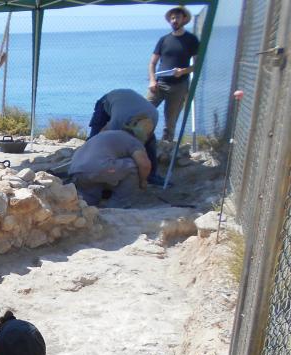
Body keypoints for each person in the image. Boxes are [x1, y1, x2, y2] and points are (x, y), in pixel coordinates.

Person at [147, 6, 200, 142]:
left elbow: (197, 65)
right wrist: (152, 80)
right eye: (172, 18)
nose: (174, 20)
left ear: (184, 19)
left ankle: (166, 149)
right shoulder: (164, 40)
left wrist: (183, 71)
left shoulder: (191, 40)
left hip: (179, 86)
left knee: (170, 122)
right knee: (143, 111)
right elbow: (152, 63)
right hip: (159, 84)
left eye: (177, 17)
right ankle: (143, 140)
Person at [89, 88, 163, 185]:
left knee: (150, 143)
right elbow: (102, 136)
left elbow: (144, 141)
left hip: (127, 102)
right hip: (107, 102)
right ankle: (89, 169)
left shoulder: (154, 116)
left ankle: (151, 175)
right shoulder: (118, 121)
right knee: (94, 140)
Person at [68, 129, 152, 208]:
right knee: (133, 166)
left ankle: (87, 205)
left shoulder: (109, 134)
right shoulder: (133, 141)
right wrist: (143, 181)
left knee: (90, 199)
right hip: (96, 169)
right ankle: (119, 206)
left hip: (76, 171)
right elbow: (145, 165)